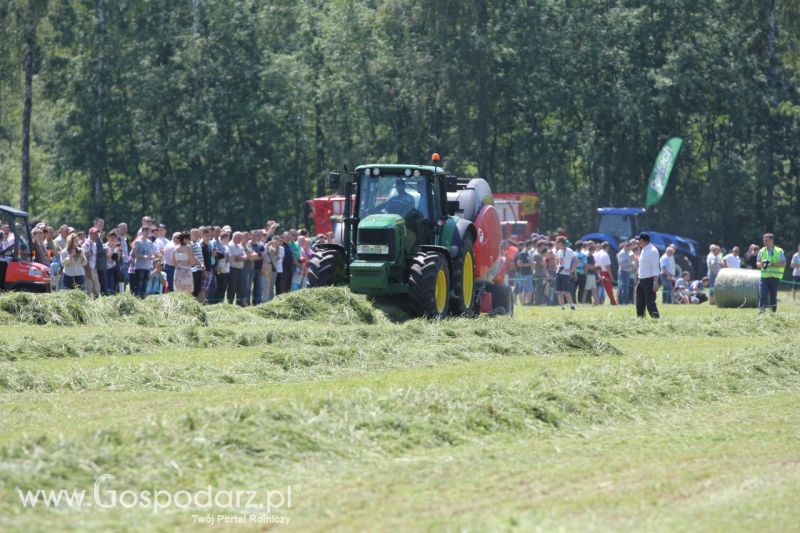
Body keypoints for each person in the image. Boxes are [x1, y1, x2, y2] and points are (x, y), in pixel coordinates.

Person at [756, 233, 785, 313]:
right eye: (764, 240)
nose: (765, 242)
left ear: (772, 240)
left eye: (767, 240)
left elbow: (783, 264)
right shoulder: (761, 251)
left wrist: (771, 264)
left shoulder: (779, 251)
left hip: (774, 278)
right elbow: (757, 264)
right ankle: (761, 313)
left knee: (773, 297)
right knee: (763, 295)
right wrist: (762, 264)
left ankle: (773, 313)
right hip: (764, 278)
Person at [635, 232, 660, 319]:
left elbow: (655, 268)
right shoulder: (644, 250)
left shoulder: (653, 251)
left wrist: (655, 282)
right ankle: (640, 320)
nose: (638, 242)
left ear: (642, 240)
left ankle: (656, 320)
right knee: (639, 304)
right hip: (641, 280)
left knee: (650, 303)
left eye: (638, 240)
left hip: (650, 281)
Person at [554, 236, 576, 310]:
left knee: (565, 291)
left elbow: (576, 260)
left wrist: (571, 270)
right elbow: (556, 261)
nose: (556, 243)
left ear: (560, 243)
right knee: (559, 291)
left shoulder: (569, 251)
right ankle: (562, 306)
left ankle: (572, 305)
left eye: (557, 242)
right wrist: (557, 266)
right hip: (558, 273)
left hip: (565, 274)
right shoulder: (558, 251)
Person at [82, 227, 102, 298]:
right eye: (94, 233)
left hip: (93, 268)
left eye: (97, 233)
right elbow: (84, 258)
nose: (96, 235)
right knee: (88, 288)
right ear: (90, 233)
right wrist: (88, 271)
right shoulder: (87, 244)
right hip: (88, 268)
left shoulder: (94, 243)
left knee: (96, 288)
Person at [514, 240, 534, 305]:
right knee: (530, 289)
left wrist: (531, 263)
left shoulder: (528, 253)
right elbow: (519, 264)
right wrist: (529, 264)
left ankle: (524, 303)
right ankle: (528, 303)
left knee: (525, 289)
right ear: (529, 245)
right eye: (531, 245)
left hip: (528, 273)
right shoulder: (522, 253)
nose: (532, 246)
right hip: (525, 273)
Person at [531, 240, 546, 305]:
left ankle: (537, 301)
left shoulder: (535, 253)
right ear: (541, 246)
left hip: (537, 273)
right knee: (538, 288)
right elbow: (542, 264)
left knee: (537, 288)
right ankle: (537, 302)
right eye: (543, 246)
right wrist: (545, 262)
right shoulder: (538, 255)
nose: (544, 247)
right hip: (539, 273)